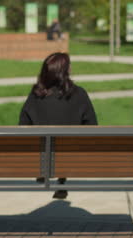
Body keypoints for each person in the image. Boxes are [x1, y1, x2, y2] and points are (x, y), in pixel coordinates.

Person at [19, 52, 98, 199]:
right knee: (66, 144)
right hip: (71, 156)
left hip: (42, 157)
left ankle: (44, 170)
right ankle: (62, 178)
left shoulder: (36, 95)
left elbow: (23, 125)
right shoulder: (79, 94)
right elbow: (92, 126)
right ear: (65, 71)